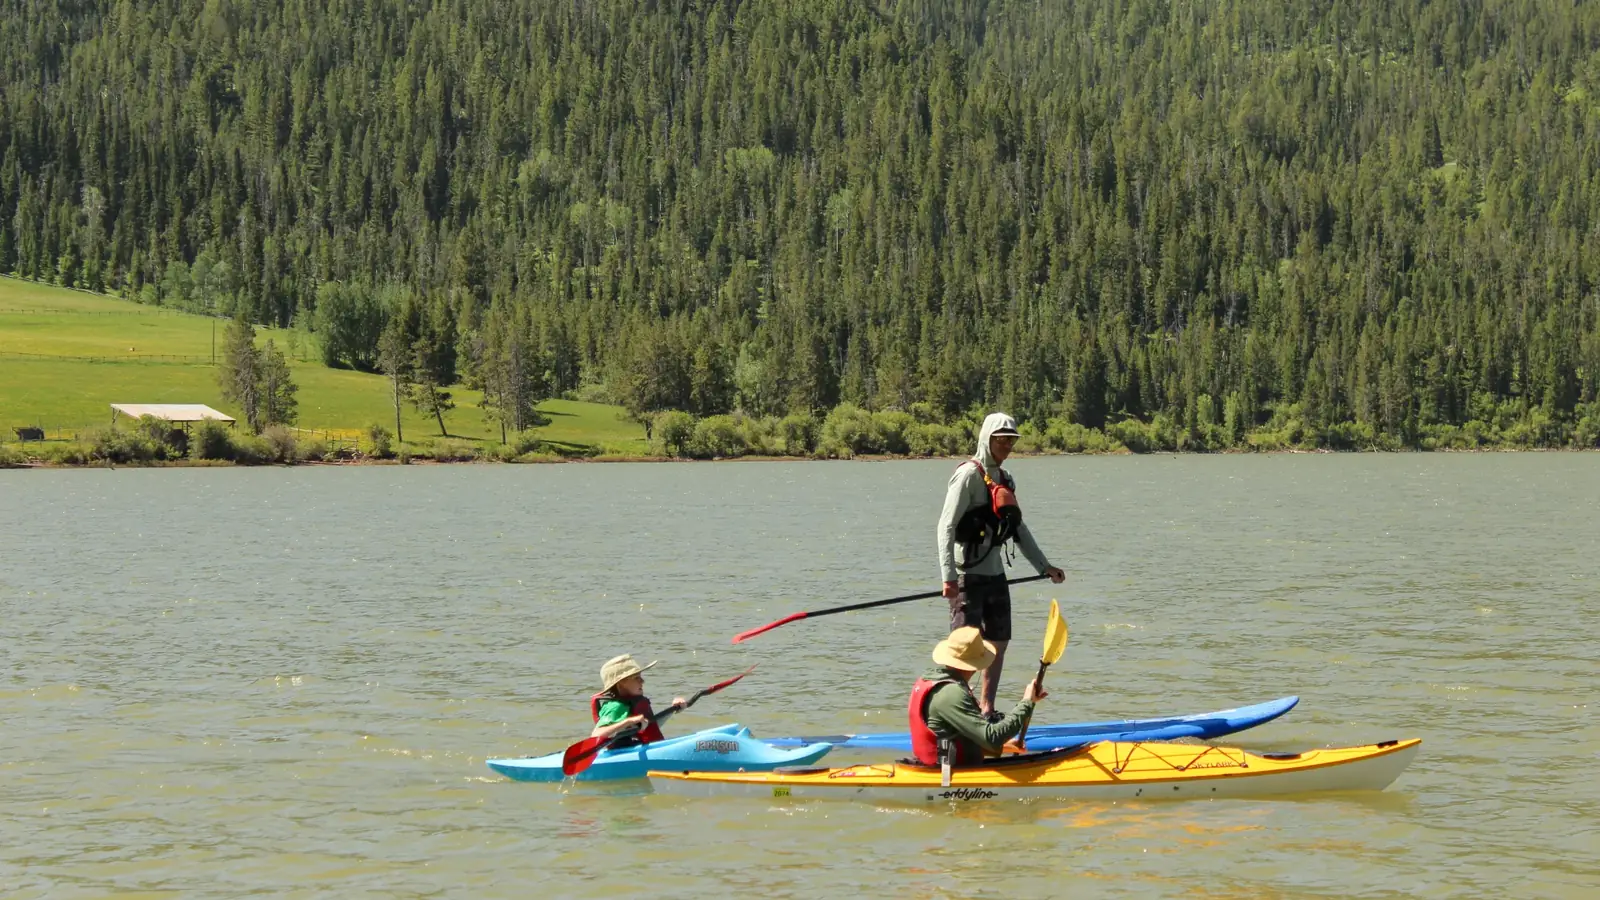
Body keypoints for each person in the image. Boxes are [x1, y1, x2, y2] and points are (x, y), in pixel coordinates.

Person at [936, 412, 1065, 719]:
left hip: (996, 576)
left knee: (999, 642)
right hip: (966, 576)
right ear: (987, 439)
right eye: (1002, 439)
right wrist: (948, 577)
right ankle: (956, 712)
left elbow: (1018, 529)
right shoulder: (967, 475)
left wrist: (1044, 566)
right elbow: (945, 527)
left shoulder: (1006, 480)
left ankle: (986, 709)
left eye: (1012, 440)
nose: (1008, 445)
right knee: (964, 648)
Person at [907, 626, 1048, 766]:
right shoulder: (951, 694)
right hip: (947, 779)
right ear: (975, 665)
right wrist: (1027, 702)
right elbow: (993, 738)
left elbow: (949, 738)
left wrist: (1003, 747)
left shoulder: (927, 680)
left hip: (939, 767)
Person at [589, 654, 686, 746]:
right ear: (621, 683)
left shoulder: (632, 702)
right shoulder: (615, 707)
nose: (642, 681)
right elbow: (596, 735)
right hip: (625, 756)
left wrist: (674, 708)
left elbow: (650, 725)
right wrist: (628, 722)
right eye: (636, 678)